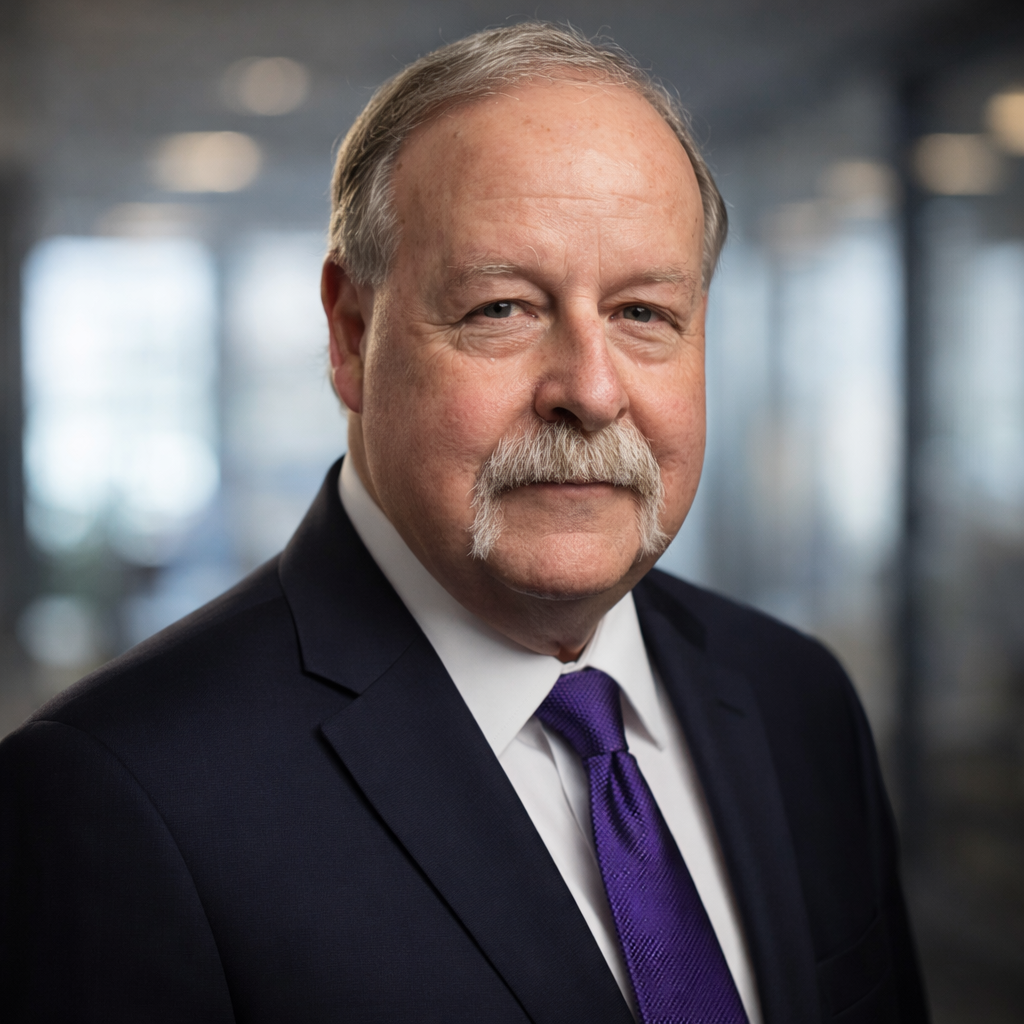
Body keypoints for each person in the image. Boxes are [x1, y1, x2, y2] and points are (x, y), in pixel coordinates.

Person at [0, 22, 928, 1024]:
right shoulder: (114, 796)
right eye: (501, 309)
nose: (590, 389)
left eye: (643, 314)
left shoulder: (798, 700)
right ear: (352, 336)